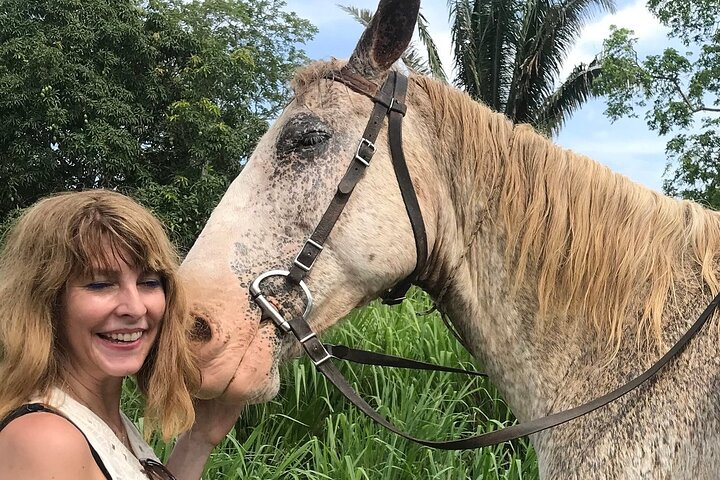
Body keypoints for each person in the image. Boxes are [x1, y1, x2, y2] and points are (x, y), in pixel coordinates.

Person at [0, 190, 242, 480]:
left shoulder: (100, 422)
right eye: (100, 285)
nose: (135, 307)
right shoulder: (46, 441)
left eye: (149, 282)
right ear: (46, 302)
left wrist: (198, 440)